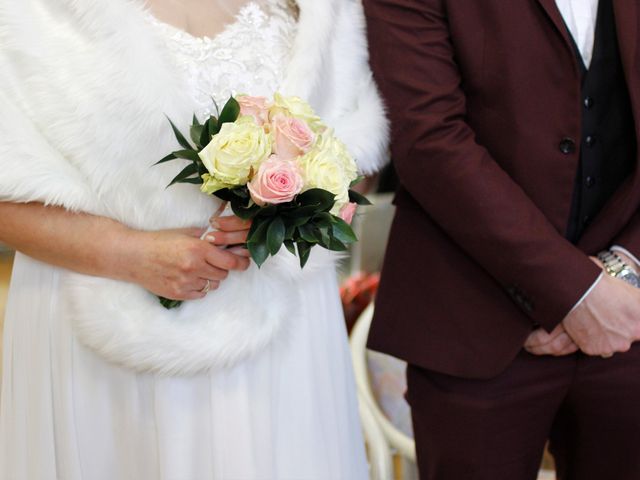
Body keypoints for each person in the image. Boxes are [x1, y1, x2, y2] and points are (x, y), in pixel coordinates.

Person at [0, 0, 388, 478]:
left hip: (285, 333)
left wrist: (291, 206)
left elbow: (357, 156)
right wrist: (130, 254)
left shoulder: (322, 10)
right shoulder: (29, 11)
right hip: (106, 330)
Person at [364, 0, 640, 479]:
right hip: (474, 320)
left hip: (629, 318)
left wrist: (625, 267)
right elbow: (429, 141)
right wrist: (575, 294)